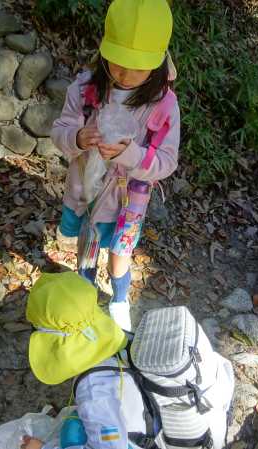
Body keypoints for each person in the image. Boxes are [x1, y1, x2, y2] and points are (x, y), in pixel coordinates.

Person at [51, 0, 180, 331]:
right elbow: (59, 131)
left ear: (157, 63)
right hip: (85, 189)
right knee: (87, 246)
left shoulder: (163, 104)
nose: (124, 74)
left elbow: (167, 161)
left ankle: (119, 299)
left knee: (121, 252)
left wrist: (130, 154)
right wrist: (78, 138)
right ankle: (84, 297)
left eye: (137, 67)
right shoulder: (85, 89)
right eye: (117, 63)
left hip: (128, 201)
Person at [20, 271, 150, 449]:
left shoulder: (92, 388)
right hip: (138, 420)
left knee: (72, 431)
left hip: (129, 442)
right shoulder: (118, 346)